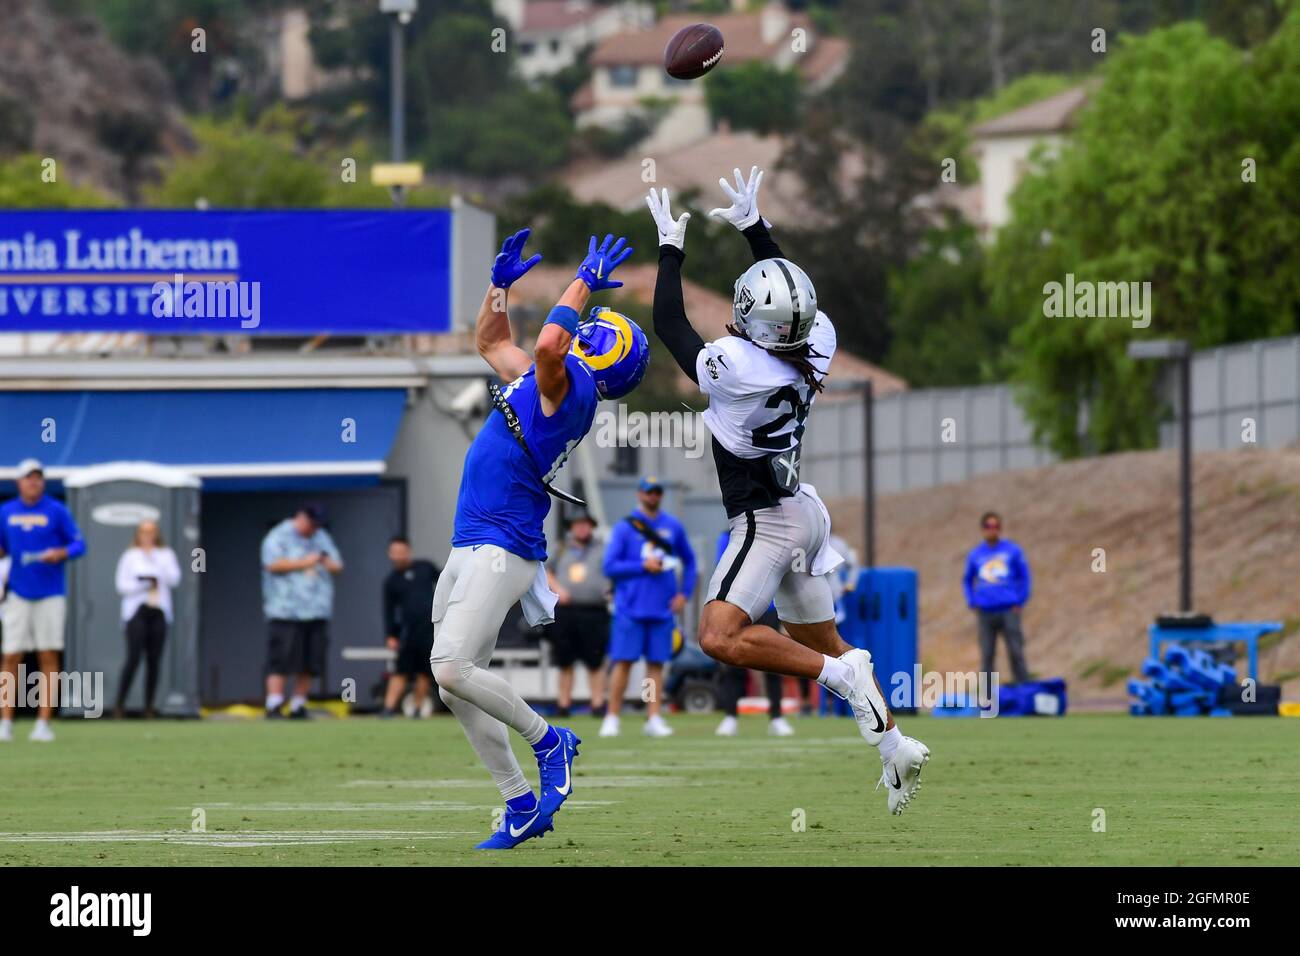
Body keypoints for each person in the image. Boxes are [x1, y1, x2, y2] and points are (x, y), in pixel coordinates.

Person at [645, 169, 930, 815]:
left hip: (765, 520)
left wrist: (670, 246)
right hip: (804, 512)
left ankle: (841, 678)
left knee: (718, 636)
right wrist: (754, 228)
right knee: (825, 640)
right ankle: (895, 748)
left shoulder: (737, 368)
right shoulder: (819, 344)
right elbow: (789, 301)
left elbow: (669, 323)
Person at [431, 227, 646, 850]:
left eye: (599, 328)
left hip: (500, 547)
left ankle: (551, 739)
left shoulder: (570, 387)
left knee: (451, 668)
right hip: (474, 541)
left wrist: (580, 281)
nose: (590, 326)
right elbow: (491, 341)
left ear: (603, 354)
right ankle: (518, 800)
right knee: (452, 681)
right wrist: (498, 289)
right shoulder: (550, 379)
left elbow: (551, 340)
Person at [599, 476, 697, 738]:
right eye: (648, 492)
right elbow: (609, 566)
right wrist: (642, 566)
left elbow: (690, 561)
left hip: (662, 609)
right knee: (623, 662)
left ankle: (653, 716)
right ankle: (612, 716)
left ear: (660, 495)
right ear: (639, 494)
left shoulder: (673, 526)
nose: (652, 496)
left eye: (656, 492)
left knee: (656, 666)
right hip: (629, 608)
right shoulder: (624, 528)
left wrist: (684, 594)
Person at [0, 459, 86, 743]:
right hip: (18, 593)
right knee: (11, 656)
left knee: (48, 655)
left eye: (38, 478)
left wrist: (59, 553)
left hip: (50, 593)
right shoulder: (6, 512)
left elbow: (78, 543)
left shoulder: (56, 510)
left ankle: (43, 723)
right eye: (28, 478)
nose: (33, 482)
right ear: (19, 482)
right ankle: (5, 723)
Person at [260, 503, 344, 719]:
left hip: (317, 610)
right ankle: (274, 704)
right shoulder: (278, 535)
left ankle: (298, 704)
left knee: (310, 661)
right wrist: (305, 562)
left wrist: (323, 560)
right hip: (286, 610)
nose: (314, 528)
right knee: (281, 659)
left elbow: (337, 566)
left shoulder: (321, 537)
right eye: (311, 523)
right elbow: (272, 564)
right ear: (301, 517)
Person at [713, 528, 794, 737]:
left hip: (767, 606)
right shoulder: (727, 536)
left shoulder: (772, 532)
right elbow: (723, 570)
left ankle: (776, 717)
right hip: (737, 606)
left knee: (773, 663)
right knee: (733, 664)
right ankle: (730, 716)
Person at [113, 519, 182, 719]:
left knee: (155, 660)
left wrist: (156, 571)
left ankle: (149, 707)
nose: (148, 536)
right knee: (133, 658)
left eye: (152, 531)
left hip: (159, 610)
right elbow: (122, 586)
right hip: (136, 611)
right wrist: (143, 583)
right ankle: (119, 704)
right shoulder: (130, 556)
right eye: (144, 532)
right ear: (138, 534)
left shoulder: (166, 554)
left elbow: (174, 578)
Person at [544, 509, 610, 718]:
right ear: (571, 528)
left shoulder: (603, 549)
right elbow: (546, 571)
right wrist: (557, 589)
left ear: (591, 527)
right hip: (566, 611)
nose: (582, 528)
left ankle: (598, 704)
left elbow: (614, 572)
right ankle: (563, 704)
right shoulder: (562, 548)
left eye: (585, 524)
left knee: (596, 660)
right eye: (577, 524)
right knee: (565, 660)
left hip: (595, 611)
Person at [963, 511, 1032, 686]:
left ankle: (1023, 690)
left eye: (995, 526)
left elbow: (1025, 576)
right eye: (988, 526)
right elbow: (968, 579)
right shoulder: (976, 554)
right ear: (982, 529)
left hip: (1009, 609)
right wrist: (973, 601)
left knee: (1016, 651)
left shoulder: (1012, 550)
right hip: (986, 611)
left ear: (1000, 528)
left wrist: (1020, 600)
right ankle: (988, 698)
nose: (992, 530)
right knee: (987, 654)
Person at [381, 536, 439, 718]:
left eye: (402, 552)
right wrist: (391, 635)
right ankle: (388, 709)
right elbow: (389, 611)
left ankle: (416, 709)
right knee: (401, 671)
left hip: (429, 630)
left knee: (424, 672)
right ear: (390, 554)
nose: (398, 556)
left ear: (409, 552)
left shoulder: (425, 567)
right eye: (395, 552)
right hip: (408, 633)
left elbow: (446, 581)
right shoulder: (391, 581)